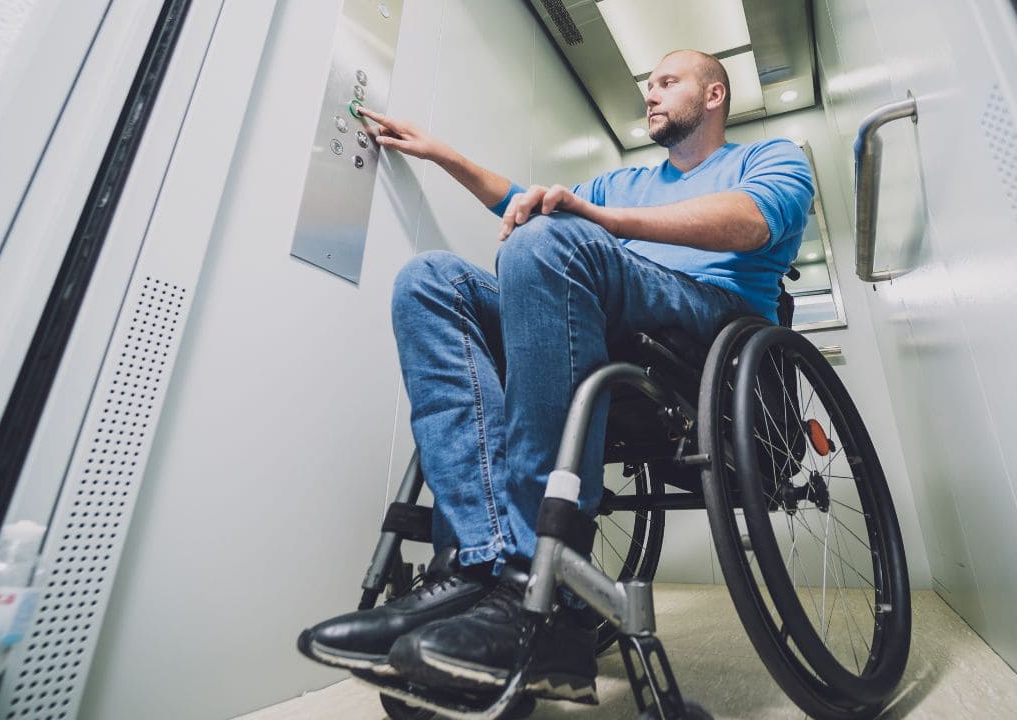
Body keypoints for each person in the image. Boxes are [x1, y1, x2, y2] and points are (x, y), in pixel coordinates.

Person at [297, 49, 814, 704]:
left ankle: (535, 577)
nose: (650, 94)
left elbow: (751, 221)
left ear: (714, 94)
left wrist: (601, 223)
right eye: (646, 85)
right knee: (430, 282)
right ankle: (485, 561)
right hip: (612, 320)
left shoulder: (768, 158)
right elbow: (526, 203)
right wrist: (440, 153)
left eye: (666, 82)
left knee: (544, 241)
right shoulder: (623, 181)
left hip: (707, 326)